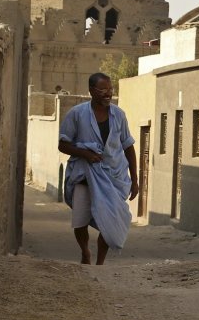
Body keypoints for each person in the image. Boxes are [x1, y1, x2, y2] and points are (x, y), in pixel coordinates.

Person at [58, 73, 139, 264]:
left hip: (113, 177)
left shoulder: (119, 115)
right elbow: (63, 145)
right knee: (80, 220)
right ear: (91, 91)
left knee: (109, 222)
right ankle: (85, 251)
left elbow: (128, 146)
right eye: (103, 90)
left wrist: (135, 180)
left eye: (110, 89)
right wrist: (85, 154)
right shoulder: (77, 114)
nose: (108, 93)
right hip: (84, 176)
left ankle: (100, 262)